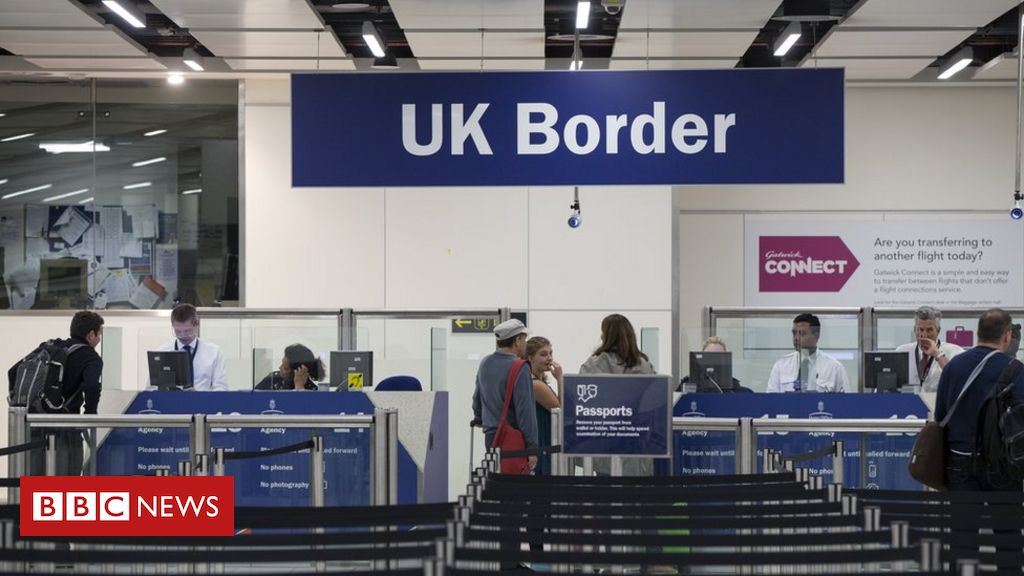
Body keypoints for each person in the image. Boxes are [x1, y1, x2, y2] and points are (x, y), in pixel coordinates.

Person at [936, 308, 1024, 491]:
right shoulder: (1016, 370)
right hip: (1002, 464)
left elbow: (940, 415)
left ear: (978, 334)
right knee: (1004, 511)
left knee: (963, 511)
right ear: (1007, 335)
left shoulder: (953, 366)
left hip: (959, 461)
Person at [8, 310, 104, 475]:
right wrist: (90, 414)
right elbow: (91, 386)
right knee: (64, 485)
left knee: (36, 481)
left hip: (35, 427)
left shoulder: (50, 347)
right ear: (90, 335)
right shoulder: (90, 357)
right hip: (65, 430)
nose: (99, 339)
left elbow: (13, 371)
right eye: (99, 334)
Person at [580, 314, 655, 476]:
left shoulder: (593, 364)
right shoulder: (644, 365)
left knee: (606, 486)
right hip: (636, 439)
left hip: (605, 439)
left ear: (606, 335)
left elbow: (583, 402)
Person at [472, 319, 538, 471]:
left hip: (491, 437)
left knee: (495, 479)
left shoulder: (485, 363)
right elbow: (525, 411)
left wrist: (479, 417)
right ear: (517, 341)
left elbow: (477, 398)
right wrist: (532, 447)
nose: (526, 344)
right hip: (513, 439)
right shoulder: (520, 367)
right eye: (524, 339)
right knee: (514, 483)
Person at [766, 313, 848, 393]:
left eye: (802, 333)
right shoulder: (781, 366)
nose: (796, 338)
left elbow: (845, 400)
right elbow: (770, 399)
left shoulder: (834, 368)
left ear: (816, 336)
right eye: (794, 333)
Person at [157, 303, 227, 390]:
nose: (183, 336)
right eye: (178, 331)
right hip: (171, 399)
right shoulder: (163, 352)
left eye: (187, 331)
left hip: (202, 398)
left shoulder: (213, 352)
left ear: (196, 325)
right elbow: (151, 389)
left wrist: (199, 396)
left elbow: (222, 389)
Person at [894, 306, 963, 393]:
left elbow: (959, 379)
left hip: (938, 400)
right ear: (915, 330)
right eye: (920, 329)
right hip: (908, 400)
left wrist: (937, 354)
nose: (924, 335)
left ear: (938, 331)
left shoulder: (954, 351)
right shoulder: (902, 351)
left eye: (929, 330)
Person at [526, 336, 561, 476]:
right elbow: (560, 409)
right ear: (531, 358)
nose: (549, 358)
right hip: (542, 438)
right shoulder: (535, 384)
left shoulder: (539, 382)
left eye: (550, 353)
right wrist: (560, 378)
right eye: (543, 354)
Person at [580, 313, 656, 375]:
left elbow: (582, 385)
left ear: (607, 337)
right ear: (630, 335)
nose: (601, 336)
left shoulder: (593, 364)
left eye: (603, 332)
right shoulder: (644, 365)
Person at [255, 344, 323, 390]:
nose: (279, 367)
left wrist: (299, 388)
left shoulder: (312, 390)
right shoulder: (273, 379)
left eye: (285, 368)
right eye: (282, 364)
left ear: (300, 371)